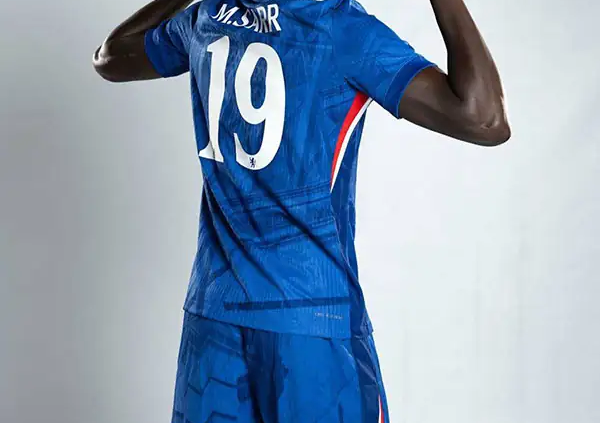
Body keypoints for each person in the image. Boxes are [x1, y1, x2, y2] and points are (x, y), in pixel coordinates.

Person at [93, 0, 510, 421]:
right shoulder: (340, 28)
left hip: (214, 316)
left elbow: (110, 57)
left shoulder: (206, 16)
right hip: (310, 323)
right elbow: (485, 119)